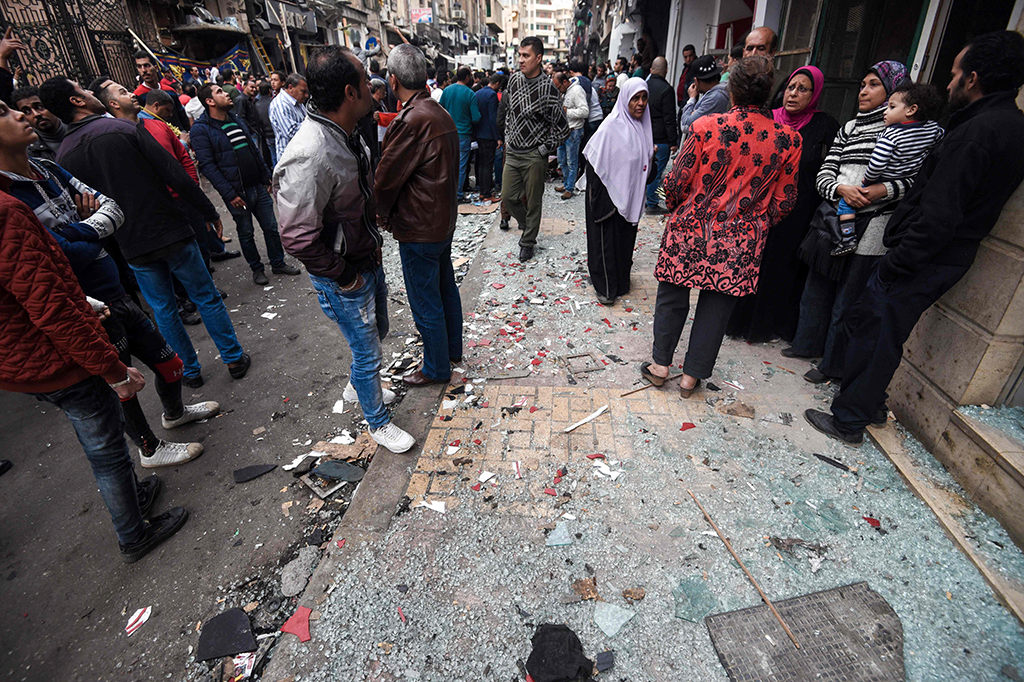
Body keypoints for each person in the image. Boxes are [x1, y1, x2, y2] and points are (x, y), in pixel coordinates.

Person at [806, 31, 1024, 446]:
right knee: (883, 333)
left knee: (874, 334)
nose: (948, 83)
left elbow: (941, 209)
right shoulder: (1006, 125)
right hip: (943, 254)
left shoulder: (977, 132)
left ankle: (848, 420)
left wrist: (898, 261)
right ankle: (868, 406)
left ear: (973, 78)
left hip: (922, 256)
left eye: (955, 74)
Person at [0, 105, 218, 468]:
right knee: (123, 386)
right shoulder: (12, 199)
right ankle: (150, 449)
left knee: (170, 363)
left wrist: (79, 231)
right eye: (6, 113)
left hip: (115, 290)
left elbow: (112, 210)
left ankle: (175, 413)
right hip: (89, 307)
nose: (23, 116)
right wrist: (88, 230)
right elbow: (61, 254)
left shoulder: (48, 168)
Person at [0, 178, 189, 563]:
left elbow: (36, 284)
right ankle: (134, 534)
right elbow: (51, 303)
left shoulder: (40, 176)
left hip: (32, 356)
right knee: (107, 449)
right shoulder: (6, 210)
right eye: (5, 112)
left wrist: (80, 297)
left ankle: (134, 500)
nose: (21, 115)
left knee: (110, 438)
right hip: (52, 358)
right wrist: (113, 370)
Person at [40, 76, 251, 388]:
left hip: (131, 243)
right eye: (83, 89)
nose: (89, 92)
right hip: (169, 229)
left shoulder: (64, 156)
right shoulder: (123, 129)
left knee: (164, 309)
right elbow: (174, 173)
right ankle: (233, 358)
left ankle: (189, 372)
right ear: (77, 101)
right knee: (205, 296)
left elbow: (82, 211)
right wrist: (207, 212)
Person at [274, 45, 413, 454]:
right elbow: (297, 237)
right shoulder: (310, 153)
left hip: (364, 259)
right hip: (345, 275)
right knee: (367, 350)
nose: (376, 88)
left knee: (377, 332)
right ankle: (377, 422)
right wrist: (344, 274)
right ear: (350, 93)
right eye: (366, 80)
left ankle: (359, 387)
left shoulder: (347, 133)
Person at [640, 56, 801, 397]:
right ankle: (691, 377)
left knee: (672, 296)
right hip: (741, 238)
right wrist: (756, 223)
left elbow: (676, 181)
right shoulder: (789, 140)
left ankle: (660, 365)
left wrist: (676, 207)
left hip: (691, 227)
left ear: (731, 89)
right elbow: (785, 201)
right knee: (717, 306)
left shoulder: (705, 127)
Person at [785, 61, 910, 385]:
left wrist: (877, 192)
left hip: (872, 227)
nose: (864, 91)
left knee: (848, 300)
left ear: (893, 92)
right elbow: (825, 172)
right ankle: (806, 344)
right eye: (863, 84)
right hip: (834, 222)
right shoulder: (850, 128)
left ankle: (832, 364)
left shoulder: (902, 132)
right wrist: (840, 188)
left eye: (873, 85)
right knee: (816, 290)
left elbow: (909, 182)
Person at [726, 66, 840, 344]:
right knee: (750, 263)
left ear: (815, 95)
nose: (794, 93)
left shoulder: (824, 125)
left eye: (803, 89)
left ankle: (766, 326)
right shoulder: (769, 120)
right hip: (758, 205)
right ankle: (737, 321)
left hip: (797, 212)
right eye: (791, 86)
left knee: (781, 267)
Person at [375, 44, 462, 388]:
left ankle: (437, 368)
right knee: (444, 288)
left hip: (420, 226)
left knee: (426, 299)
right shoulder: (439, 113)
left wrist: (380, 214)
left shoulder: (411, 120)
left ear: (393, 81)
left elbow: (385, 179)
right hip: (441, 221)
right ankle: (451, 351)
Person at [192, 83, 301, 286]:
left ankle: (278, 262)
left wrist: (266, 176)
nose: (226, 94)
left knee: (270, 227)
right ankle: (257, 269)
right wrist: (229, 193)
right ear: (209, 101)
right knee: (246, 232)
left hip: (258, 187)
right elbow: (208, 166)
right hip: (237, 193)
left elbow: (253, 150)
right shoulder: (201, 129)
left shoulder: (235, 119)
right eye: (219, 92)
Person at [832, 82, 944, 256]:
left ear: (910, 110)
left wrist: (868, 180)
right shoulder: (931, 129)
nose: (885, 111)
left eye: (891, 107)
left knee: (846, 204)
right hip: (908, 174)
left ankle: (848, 238)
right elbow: (941, 138)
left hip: (884, 184)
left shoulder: (890, 134)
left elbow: (877, 163)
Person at [583, 77, 654, 306]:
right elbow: (594, 159)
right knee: (606, 244)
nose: (641, 103)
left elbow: (645, 171)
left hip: (629, 198)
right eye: (635, 98)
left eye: (644, 98)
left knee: (624, 244)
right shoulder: (611, 127)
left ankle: (621, 283)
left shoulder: (643, 129)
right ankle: (605, 287)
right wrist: (604, 198)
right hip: (607, 199)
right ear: (625, 100)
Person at [497, 36, 569, 261]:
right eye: (519, 55)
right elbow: (509, 112)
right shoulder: (514, 80)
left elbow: (562, 128)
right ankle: (529, 226)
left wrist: (544, 149)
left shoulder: (548, 88)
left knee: (534, 200)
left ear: (538, 58)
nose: (520, 60)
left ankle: (528, 241)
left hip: (533, 155)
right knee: (508, 197)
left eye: (525, 55)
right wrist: (508, 137)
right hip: (514, 152)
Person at [439, 67, 481, 202]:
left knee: (447, 164)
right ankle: (457, 195)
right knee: (461, 166)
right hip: (463, 134)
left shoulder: (447, 90)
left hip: (447, 133)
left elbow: (440, 109)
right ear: (468, 77)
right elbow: (476, 118)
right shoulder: (470, 94)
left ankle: (446, 193)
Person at [645, 57, 677, 214]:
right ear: (666, 71)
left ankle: (644, 199)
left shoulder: (644, 87)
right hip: (661, 137)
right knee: (656, 172)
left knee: (645, 169)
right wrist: (673, 141)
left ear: (651, 70)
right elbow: (669, 118)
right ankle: (651, 202)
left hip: (645, 136)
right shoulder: (667, 89)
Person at [132, 51, 189, 130]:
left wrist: (187, 131)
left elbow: (181, 114)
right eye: (139, 66)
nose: (143, 70)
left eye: (147, 65)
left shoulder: (170, 90)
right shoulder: (138, 95)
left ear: (155, 68)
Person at [678, 55, 730, 139]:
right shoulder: (721, 91)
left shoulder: (714, 98)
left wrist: (691, 99)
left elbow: (686, 125)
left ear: (696, 81)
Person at [553, 71, 586, 200]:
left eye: (559, 87)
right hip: (563, 131)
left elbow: (584, 111)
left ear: (565, 82)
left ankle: (570, 188)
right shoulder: (565, 92)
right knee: (562, 160)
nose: (558, 90)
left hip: (573, 131)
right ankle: (566, 183)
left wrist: (567, 111)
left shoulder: (577, 91)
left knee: (572, 161)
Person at [12, 86, 66, 161]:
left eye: (39, 107)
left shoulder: (76, 127)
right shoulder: (30, 152)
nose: (36, 114)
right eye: (27, 112)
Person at [269, 73, 309, 160]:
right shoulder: (280, 104)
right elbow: (291, 131)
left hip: (301, 155)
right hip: (291, 159)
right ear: (290, 87)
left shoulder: (298, 102)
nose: (306, 95)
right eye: (303, 91)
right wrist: (311, 125)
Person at [475, 74, 501, 201]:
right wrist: (498, 137)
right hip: (488, 134)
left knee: (481, 164)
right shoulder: (492, 95)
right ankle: (486, 194)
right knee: (488, 165)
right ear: (496, 84)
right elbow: (493, 118)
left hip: (479, 133)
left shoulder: (478, 93)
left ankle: (482, 191)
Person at [234, 77, 268, 161]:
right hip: (252, 133)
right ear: (244, 87)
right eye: (251, 87)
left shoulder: (249, 99)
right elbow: (241, 117)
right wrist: (252, 130)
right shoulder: (241, 99)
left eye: (255, 87)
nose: (254, 89)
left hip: (255, 132)